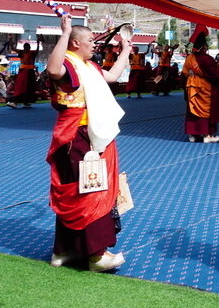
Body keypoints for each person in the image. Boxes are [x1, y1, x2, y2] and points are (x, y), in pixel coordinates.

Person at [45, 14, 131, 272]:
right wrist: (64, 32)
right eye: (91, 40)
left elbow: (112, 76)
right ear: (75, 43)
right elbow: (52, 70)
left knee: (76, 190)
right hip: (78, 136)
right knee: (92, 190)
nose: (95, 45)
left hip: (86, 133)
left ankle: (65, 250)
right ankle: (96, 255)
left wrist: (125, 51)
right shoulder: (68, 65)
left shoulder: (89, 66)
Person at [183, 27, 219, 143]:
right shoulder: (206, 59)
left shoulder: (189, 58)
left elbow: (184, 74)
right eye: (206, 47)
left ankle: (194, 135)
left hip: (192, 88)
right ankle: (207, 135)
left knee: (193, 110)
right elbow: (216, 73)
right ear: (203, 47)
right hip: (205, 88)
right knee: (206, 111)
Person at [8, 39, 41, 108]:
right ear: (23, 48)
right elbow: (12, 48)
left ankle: (26, 102)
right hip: (23, 71)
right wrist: (10, 39)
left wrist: (38, 42)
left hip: (30, 72)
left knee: (29, 87)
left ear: (29, 48)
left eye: (27, 48)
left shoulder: (32, 53)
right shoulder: (21, 52)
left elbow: (37, 50)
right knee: (21, 87)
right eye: (25, 48)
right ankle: (15, 102)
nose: (26, 49)